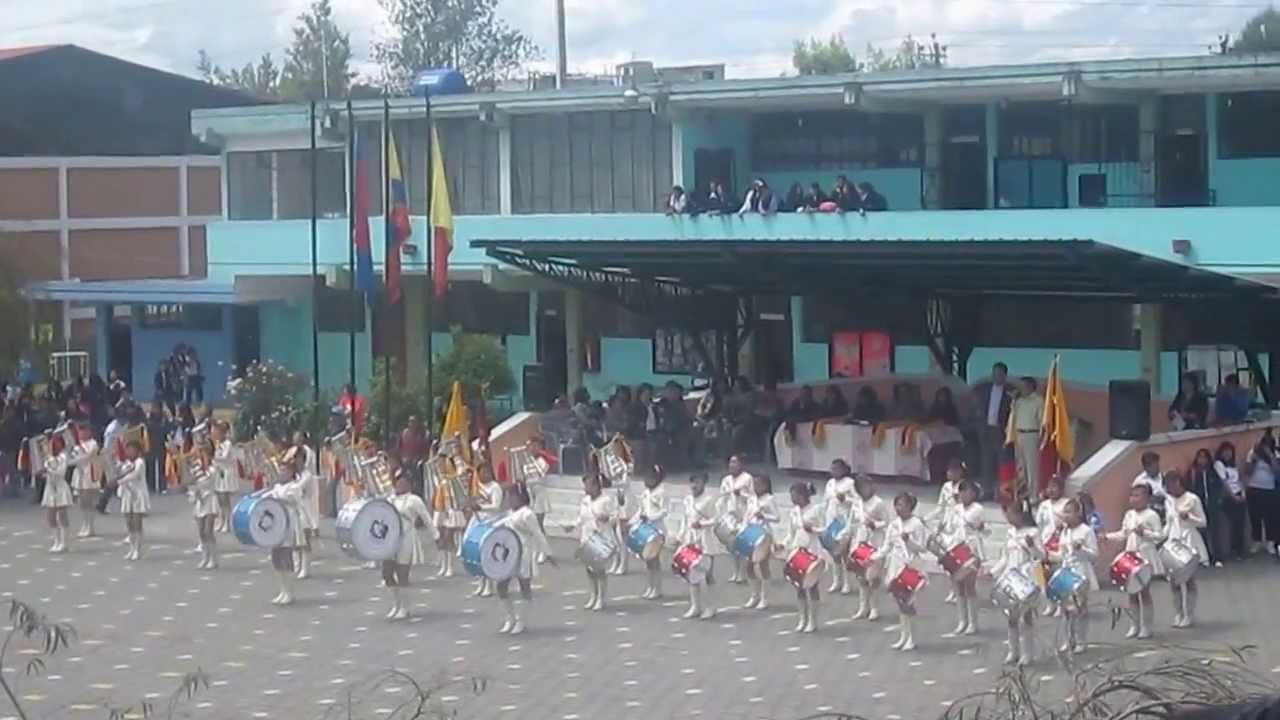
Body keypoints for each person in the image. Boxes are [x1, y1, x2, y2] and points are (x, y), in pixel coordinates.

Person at [1106, 484, 1164, 639]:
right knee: (1131, 592)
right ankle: (1134, 624)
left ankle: (1147, 626)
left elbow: (1160, 535)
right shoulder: (1129, 515)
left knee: (1144, 592)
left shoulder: (1152, 515)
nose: (1133, 499)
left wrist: (1145, 532)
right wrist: (1107, 537)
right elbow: (1123, 533)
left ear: (1147, 498)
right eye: (1132, 496)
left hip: (1145, 555)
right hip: (1131, 555)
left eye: (1138, 496)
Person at [494, 482, 553, 634]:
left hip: (524, 554)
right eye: (509, 496)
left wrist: (548, 553)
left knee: (524, 587)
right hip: (508, 553)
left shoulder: (528, 513)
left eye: (512, 495)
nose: (510, 499)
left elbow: (538, 534)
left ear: (521, 496)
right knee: (501, 586)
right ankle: (510, 617)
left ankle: (522, 620)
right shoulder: (509, 513)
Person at [987, 502, 1042, 666]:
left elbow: (1041, 555)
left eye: (1011, 513)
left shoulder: (1033, 532)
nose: (1008, 517)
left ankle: (1028, 653)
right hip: (1010, 575)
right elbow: (1005, 557)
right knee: (1011, 616)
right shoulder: (1009, 533)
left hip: (1026, 575)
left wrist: (1032, 546)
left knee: (1026, 615)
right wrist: (993, 571)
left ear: (1020, 515)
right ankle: (1013, 651)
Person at [879, 492, 928, 652]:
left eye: (901, 504)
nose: (898, 508)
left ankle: (912, 638)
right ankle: (903, 636)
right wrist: (874, 557)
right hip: (895, 564)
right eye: (897, 504)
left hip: (911, 565)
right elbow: (887, 546)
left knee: (908, 602)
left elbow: (921, 548)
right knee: (899, 602)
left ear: (910, 506)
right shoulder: (894, 524)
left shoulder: (917, 524)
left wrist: (909, 541)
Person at [1050, 497, 1099, 654]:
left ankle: (1081, 640)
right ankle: (1067, 639)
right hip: (1066, 572)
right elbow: (1061, 555)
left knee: (1080, 608)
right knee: (1065, 609)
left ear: (1078, 513)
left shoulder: (1086, 531)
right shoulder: (1064, 532)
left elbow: (1094, 556)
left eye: (1069, 512)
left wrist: (1081, 549)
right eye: (1064, 512)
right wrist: (1047, 555)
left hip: (1081, 572)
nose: (1066, 515)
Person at [384, 471, 434, 622]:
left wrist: (435, 534)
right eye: (398, 483)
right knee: (386, 573)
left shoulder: (414, 500)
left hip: (406, 537)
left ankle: (405, 607)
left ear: (409, 485)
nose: (400, 485)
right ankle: (396, 603)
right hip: (390, 539)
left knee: (402, 573)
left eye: (403, 483)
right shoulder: (390, 499)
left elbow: (426, 518)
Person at [263, 452, 309, 606]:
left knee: (286, 556)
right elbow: (267, 496)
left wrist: (275, 497)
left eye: (285, 470)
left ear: (292, 472)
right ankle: (282, 590)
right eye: (281, 470)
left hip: (289, 523)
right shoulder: (277, 487)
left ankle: (289, 591)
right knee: (276, 556)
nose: (282, 473)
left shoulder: (293, 487)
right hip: (276, 524)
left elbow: (292, 500)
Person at [1163, 471, 1207, 628]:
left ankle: (1189, 614)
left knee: (1188, 579)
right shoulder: (1168, 500)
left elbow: (1203, 522)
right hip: (1173, 540)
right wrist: (1159, 536)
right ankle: (1178, 613)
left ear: (1178, 483)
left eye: (1170, 485)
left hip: (1189, 539)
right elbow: (1169, 522)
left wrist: (1189, 517)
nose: (1169, 489)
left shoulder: (1192, 499)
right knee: (1173, 581)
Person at [845, 474, 890, 623]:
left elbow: (886, 522)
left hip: (875, 543)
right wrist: (845, 537)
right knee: (861, 577)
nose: (864, 490)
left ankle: (874, 607)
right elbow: (851, 523)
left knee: (873, 577)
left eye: (866, 486)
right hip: (860, 541)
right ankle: (863, 607)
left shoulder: (879, 503)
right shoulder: (856, 504)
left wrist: (875, 525)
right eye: (860, 487)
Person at [947, 479, 987, 636]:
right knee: (958, 585)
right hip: (956, 548)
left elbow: (984, 530)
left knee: (969, 585)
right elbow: (950, 527)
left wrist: (981, 528)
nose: (964, 494)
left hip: (971, 550)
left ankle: (973, 622)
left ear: (974, 493)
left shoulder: (978, 509)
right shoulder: (955, 509)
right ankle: (962, 620)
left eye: (968, 491)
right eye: (962, 491)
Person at [573, 473, 618, 612]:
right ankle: (593, 595)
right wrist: (572, 525)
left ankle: (601, 598)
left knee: (599, 569)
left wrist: (607, 519)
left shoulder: (606, 500)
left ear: (597, 486)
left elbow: (615, 516)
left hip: (601, 537)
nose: (585, 487)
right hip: (587, 535)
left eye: (588, 484)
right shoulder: (585, 500)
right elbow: (581, 517)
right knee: (589, 569)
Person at [786, 480, 825, 633]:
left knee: (812, 585)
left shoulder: (815, 510)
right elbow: (791, 533)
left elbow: (825, 529)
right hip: (798, 550)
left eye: (794, 496)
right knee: (798, 586)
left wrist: (813, 529)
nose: (792, 499)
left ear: (802, 495)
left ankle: (813, 621)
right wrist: (783, 544)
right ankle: (802, 618)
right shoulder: (793, 512)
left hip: (812, 550)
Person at [680, 472, 718, 620]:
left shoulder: (709, 500)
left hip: (706, 540)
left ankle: (711, 607)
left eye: (698, 482)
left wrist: (701, 524)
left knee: (707, 574)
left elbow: (715, 519)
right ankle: (695, 606)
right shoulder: (688, 500)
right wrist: (681, 536)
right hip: (691, 540)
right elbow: (685, 519)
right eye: (693, 482)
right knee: (691, 574)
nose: (695, 485)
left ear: (704, 483)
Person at [972, 362, 1013, 499]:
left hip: (1001, 431)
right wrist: (979, 427)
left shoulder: (1010, 391)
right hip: (985, 430)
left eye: (999, 374)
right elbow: (977, 408)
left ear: (1005, 376)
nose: (996, 377)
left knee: (1002, 462)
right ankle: (987, 491)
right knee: (986, 461)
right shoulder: (984, 389)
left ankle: (1001, 493)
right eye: (994, 373)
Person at [468, 462, 506, 598]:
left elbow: (496, 506)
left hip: (491, 521)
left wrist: (481, 508)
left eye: (488, 471)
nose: (486, 474)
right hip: (477, 520)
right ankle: (481, 582)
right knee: (475, 552)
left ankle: (489, 585)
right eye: (483, 472)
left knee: (487, 553)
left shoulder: (495, 487)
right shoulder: (476, 486)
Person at [1035, 474, 1071, 617]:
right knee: (1045, 575)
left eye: (1054, 487)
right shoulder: (1044, 505)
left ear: (1061, 489)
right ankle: (1050, 603)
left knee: (1058, 575)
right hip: (1046, 542)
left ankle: (1061, 605)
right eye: (1049, 487)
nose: (1051, 490)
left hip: (1060, 542)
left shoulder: (1066, 503)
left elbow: (1071, 520)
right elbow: (1039, 524)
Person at [631, 466, 669, 600]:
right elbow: (641, 509)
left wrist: (651, 517)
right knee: (647, 561)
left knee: (654, 560)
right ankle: (650, 586)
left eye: (650, 477)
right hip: (646, 528)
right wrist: (633, 520)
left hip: (657, 530)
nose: (646, 481)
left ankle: (657, 588)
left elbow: (664, 511)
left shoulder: (661, 492)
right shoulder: (646, 493)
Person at [742, 473, 779, 611]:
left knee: (763, 565)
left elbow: (777, 517)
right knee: (748, 566)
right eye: (754, 484)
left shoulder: (769, 499)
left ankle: (765, 597)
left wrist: (764, 516)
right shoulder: (751, 499)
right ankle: (754, 595)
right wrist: (743, 529)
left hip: (763, 533)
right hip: (751, 532)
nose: (756, 487)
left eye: (759, 484)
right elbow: (747, 515)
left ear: (766, 485)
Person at [285, 438, 319, 580]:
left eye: (298, 459)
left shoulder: (307, 476)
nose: (295, 462)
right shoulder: (294, 476)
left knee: (304, 540)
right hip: (293, 509)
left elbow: (296, 490)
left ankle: (305, 567)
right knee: (293, 540)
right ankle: (296, 564)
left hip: (305, 509)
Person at [718, 455, 753, 583]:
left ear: (741, 464)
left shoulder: (747, 478)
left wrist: (742, 494)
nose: (732, 465)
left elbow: (753, 496)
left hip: (744, 515)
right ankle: (735, 571)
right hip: (730, 515)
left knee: (742, 544)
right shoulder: (726, 480)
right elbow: (722, 497)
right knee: (732, 545)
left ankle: (743, 573)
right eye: (731, 462)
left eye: (735, 462)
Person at [823, 459, 856, 595]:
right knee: (834, 552)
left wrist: (845, 499)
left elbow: (857, 500)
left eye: (837, 468)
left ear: (844, 470)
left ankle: (847, 583)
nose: (834, 471)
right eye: (832, 468)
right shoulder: (830, 483)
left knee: (844, 552)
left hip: (844, 520)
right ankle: (837, 581)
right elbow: (826, 501)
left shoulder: (850, 483)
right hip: (832, 520)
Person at [1245, 432, 1280, 557]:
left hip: (1269, 489)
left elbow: (1277, 471)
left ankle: (1270, 541)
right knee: (1255, 516)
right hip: (1254, 488)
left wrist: (1270, 457)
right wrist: (1254, 460)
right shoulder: (1253, 453)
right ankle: (1257, 540)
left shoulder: (1275, 454)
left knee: (1269, 517)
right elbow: (1247, 471)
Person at [1187, 448, 1224, 567]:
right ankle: (1206, 556)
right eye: (1199, 457)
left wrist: (1218, 499)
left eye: (1204, 457)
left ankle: (1217, 557)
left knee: (1215, 532)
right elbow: (1189, 488)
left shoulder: (1212, 472)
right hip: (1200, 505)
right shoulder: (1193, 472)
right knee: (1202, 532)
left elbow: (1219, 486)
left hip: (1212, 505)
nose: (1202, 460)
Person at [186, 438, 219, 570]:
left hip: (209, 499)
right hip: (199, 500)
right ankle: (205, 557)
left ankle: (213, 558)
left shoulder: (213, 467)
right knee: (201, 532)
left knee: (208, 530)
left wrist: (201, 470)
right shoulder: (197, 466)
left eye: (204, 452)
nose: (202, 455)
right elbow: (189, 479)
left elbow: (208, 480)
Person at [1010, 376, 1044, 503]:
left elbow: (1041, 420)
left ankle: (1033, 495)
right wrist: (1013, 400)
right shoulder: (1018, 402)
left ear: (1030, 387)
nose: (1020, 389)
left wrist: (1041, 437)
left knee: (1031, 466)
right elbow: (1013, 417)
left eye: (1023, 386)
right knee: (1020, 466)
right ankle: (1022, 493)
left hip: (1031, 434)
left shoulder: (1038, 400)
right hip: (1019, 434)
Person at [115, 439, 149, 561]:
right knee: (129, 522)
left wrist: (120, 480)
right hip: (127, 494)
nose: (129, 452)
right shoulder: (126, 463)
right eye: (127, 449)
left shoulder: (140, 462)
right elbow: (120, 473)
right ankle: (132, 548)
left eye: (131, 449)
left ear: (137, 450)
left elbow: (134, 475)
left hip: (137, 494)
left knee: (137, 522)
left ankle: (138, 549)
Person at [1214, 442, 1248, 561]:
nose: (1227, 454)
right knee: (1234, 523)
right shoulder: (1219, 465)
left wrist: (1243, 493)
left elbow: (1241, 479)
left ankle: (1241, 549)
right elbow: (1224, 483)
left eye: (1230, 451)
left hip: (1239, 493)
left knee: (1241, 523)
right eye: (1225, 451)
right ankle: (1236, 549)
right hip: (1228, 497)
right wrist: (1233, 496)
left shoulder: (1234, 464)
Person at [40, 431, 71, 553]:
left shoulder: (63, 457)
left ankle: (65, 543)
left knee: (62, 515)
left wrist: (48, 469)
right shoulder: (48, 457)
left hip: (60, 486)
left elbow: (60, 473)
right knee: (51, 516)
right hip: (50, 487)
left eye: (56, 443)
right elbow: (45, 471)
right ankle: (56, 541)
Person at [68, 422, 100, 538]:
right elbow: (72, 458)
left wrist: (79, 451)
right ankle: (85, 524)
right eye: (80, 431)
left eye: (84, 431)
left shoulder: (93, 444)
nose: (82, 433)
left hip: (89, 473)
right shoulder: (77, 445)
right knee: (82, 502)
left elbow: (87, 457)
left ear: (89, 432)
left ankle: (91, 526)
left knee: (89, 501)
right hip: (79, 474)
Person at [211, 421, 239, 534]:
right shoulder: (217, 443)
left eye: (217, 431)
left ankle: (227, 522)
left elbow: (224, 457)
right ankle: (221, 521)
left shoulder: (227, 443)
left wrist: (213, 456)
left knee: (225, 500)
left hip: (226, 472)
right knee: (219, 499)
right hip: (218, 472)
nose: (215, 433)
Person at [399, 416, 429, 497]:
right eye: (410, 422)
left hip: (417, 460)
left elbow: (425, 449)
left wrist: (422, 459)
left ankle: (418, 493)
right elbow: (401, 447)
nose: (411, 424)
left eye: (414, 422)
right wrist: (402, 458)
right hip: (406, 460)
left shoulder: (422, 434)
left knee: (417, 474)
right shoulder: (404, 433)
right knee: (404, 475)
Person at [1133, 451, 1167, 521]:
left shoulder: (1163, 476)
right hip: (1149, 515)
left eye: (1158, 465)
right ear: (1146, 467)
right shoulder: (1140, 481)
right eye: (1154, 466)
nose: (1157, 468)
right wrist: (1156, 499)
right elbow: (1139, 500)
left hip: (1167, 511)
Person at [143, 405, 169, 496]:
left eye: (157, 408)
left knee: (162, 467)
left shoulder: (164, 420)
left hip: (161, 445)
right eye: (154, 408)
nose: (156, 410)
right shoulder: (148, 421)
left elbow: (167, 431)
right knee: (150, 467)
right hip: (150, 445)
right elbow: (145, 433)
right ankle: (151, 485)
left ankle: (162, 486)